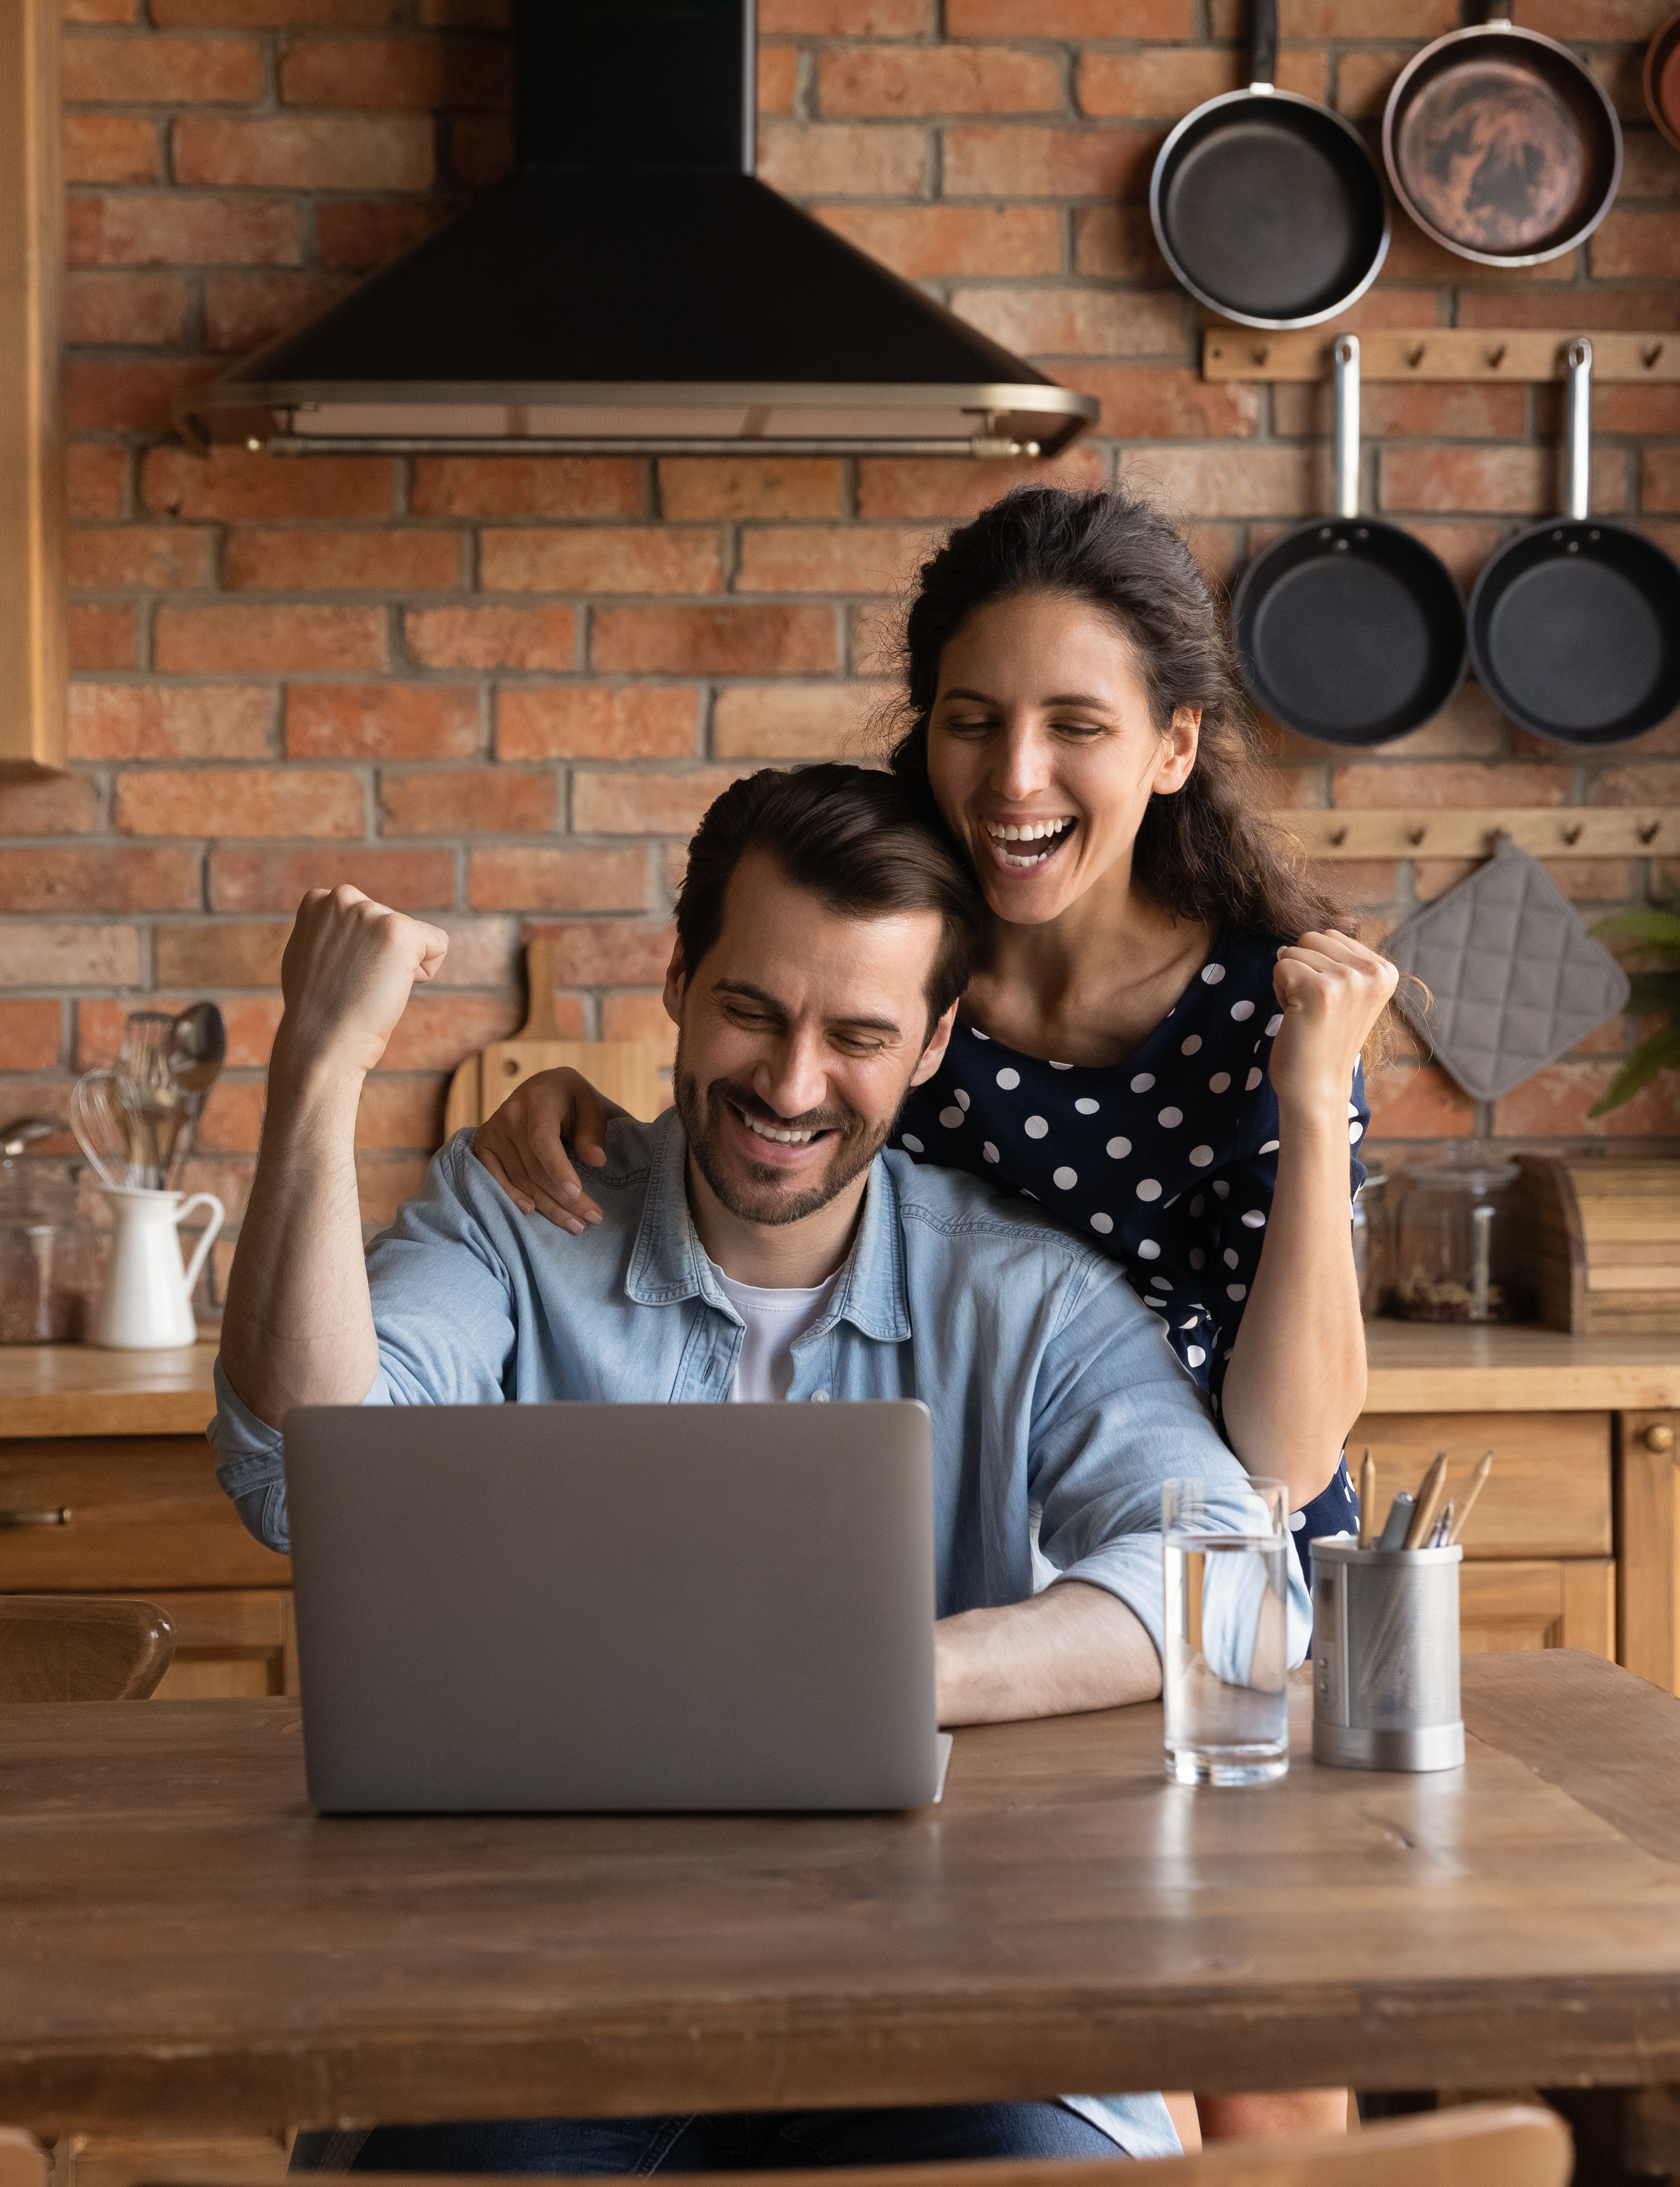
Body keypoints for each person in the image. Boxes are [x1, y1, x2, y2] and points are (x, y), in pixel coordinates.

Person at [469, 490, 1396, 2151]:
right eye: (973, 721)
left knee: (1253, 2065)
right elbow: (788, 1116)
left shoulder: (1270, 1009)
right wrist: (581, 1108)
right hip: (975, 1596)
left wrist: (1317, 1104)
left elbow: (1286, 1448)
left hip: (1212, 1594)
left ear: (1176, 748)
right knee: (965, 2031)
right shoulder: (924, 969)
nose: (1015, 775)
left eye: (1075, 727)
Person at [213, 763, 1302, 2174]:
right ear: (677, 976)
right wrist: (318, 1067)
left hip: (944, 2004)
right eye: (751, 1010)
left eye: (858, 1033)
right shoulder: (515, 1219)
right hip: (539, 2008)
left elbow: (1237, 1578)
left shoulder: (1028, 1292)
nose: (792, 1085)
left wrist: (896, 1678)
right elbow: (299, 1476)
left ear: (932, 1043)